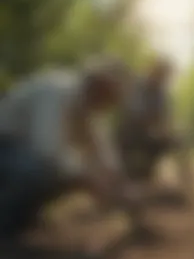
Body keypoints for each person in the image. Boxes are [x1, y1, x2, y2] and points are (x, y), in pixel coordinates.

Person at [0, 57, 134, 241]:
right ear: (98, 86)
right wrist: (90, 180)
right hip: (6, 145)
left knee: (62, 174)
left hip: (21, 154)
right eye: (111, 96)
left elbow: (105, 155)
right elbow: (46, 150)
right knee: (39, 169)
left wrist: (120, 187)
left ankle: (24, 217)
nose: (111, 104)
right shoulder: (55, 92)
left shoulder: (89, 110)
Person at [117, 58, 194, 202]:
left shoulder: (162, 94)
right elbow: (135, 114)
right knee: (136, 172)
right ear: (152, 70)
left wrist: (167, 130)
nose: (162, 78)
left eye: (165, 75)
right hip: (130, 134)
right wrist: (156, 127)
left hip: (151, 133)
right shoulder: (136, 85)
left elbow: (165, 117)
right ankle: (130, 184)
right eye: (160, 73)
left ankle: (188, 188)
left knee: (179, 140)